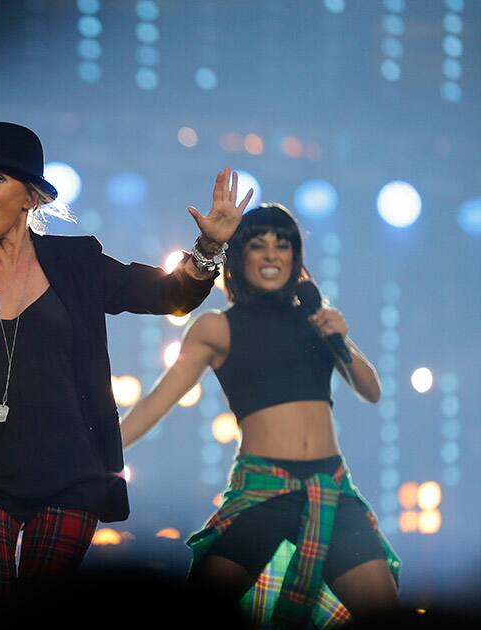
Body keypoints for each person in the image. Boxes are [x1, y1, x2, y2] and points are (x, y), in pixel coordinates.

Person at [0, 121, 251, 622]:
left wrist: (209, 246)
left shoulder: (77, 262)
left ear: (30, 197)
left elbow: (169, 294)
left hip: (71, 476)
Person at [120, 203, 400, 626]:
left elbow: (372, 390)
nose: (271, 254)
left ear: (295, 257)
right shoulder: (217, 327)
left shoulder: (316, 320)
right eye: (258, 245)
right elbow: (159, 400)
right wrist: (103, 450)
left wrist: (341, 337)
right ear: (240, 257)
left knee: (385, 609)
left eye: (282, 245)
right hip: (262, 491)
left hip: (331, 490)